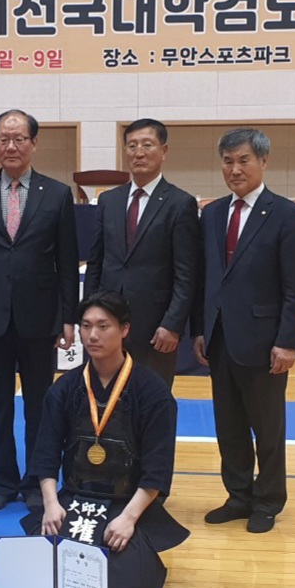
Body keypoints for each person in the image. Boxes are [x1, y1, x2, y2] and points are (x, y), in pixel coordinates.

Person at [26, 291, 189, 588]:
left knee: (131, 587)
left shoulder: (152, 392)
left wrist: (129, 518)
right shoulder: (64, 389)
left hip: (126, 503)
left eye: (103, 326)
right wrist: (51, 504)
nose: (92, 335)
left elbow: (157, 470)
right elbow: (45, 456)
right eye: (86, 326)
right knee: (35, 575)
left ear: (124, 329)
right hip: (75, 499)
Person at [0, 110, 79, 512]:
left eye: (19, 138)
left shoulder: (57, 194)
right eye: (3, 139)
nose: (11, 146)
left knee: (41, 407)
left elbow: (67, 259)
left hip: (39, 316)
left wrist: (68, 318)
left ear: (33, 144)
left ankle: (38, 482)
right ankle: (3, 482)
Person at [192, 128, 295, 534]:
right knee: (229, 426)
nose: (235, 169)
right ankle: (239, 496)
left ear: (263, 161)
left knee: (268, 428)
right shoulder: (211, 214)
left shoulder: (286, 214)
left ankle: (269, 500)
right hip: (220, 338)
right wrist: (200, 329)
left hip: (264, 342)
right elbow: (206, 279)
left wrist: (287, 342)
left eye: (243, 160)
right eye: (228, 162)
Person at [84, 118, 200, 388]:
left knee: (151, 399)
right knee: (105, 398)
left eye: (147, 145)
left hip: (155, 328)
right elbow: (96, 262)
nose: (139, 153)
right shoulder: (109, 200)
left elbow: (186, 273)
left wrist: (172, 324)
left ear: (164, 151)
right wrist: (88, 315)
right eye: (132, 146)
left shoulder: (179, 203)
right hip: (108, 323)